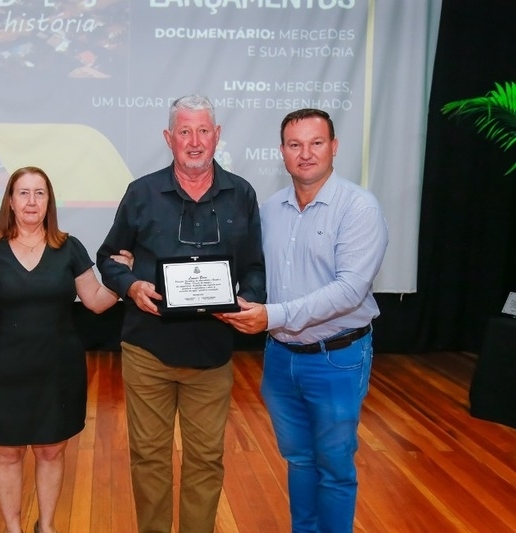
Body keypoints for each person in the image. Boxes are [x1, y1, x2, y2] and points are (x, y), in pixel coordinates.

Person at [96, 94, 266, 533]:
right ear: (168, 138)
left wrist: (246, 299)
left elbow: (254, 267)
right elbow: (109, 256)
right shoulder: (142, 192)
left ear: (217, 135)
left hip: (212, 352)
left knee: (206, 460)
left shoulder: (241, 193)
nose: (194, 141)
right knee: (149, 459)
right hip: (147, 350)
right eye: (185, 132)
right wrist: (130, 285)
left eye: (203, 131)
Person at [218, 108, 389, 532]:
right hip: (280, 356)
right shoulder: (270, 209)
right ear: (282, 152)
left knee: (334, 466)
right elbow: (254, 271)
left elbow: (349, 290)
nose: (306, 153)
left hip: (337, 358)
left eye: (316, 143)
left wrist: (272, 315)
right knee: (298, 459)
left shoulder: (359, 208)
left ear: (334, 147)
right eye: (295, 145)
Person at [0, 166, 124, 533]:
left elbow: (96, 300)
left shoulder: (68, 247)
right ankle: (13, 528)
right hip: (1, 369)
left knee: (51, 450)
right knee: (7, 452)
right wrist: (13, 324)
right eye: (23, 193)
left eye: (39, 193)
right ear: (10, 201)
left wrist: (122, 277)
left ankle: (47, 527)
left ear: (49, 201)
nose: (31, 201)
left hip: (57, 369)